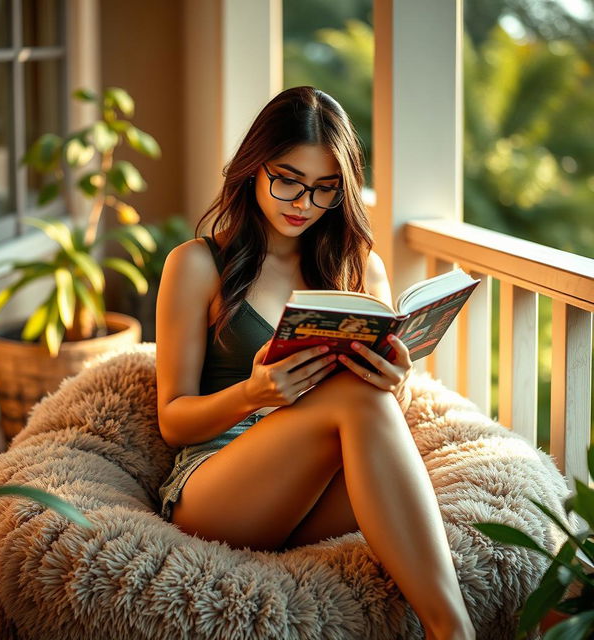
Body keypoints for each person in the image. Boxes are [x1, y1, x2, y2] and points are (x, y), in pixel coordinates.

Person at [155, 86, 475, 640]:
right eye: (287, 180)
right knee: (354, 398)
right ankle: (453, 630)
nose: (303, 203)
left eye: (325, 190)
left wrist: (396, 380)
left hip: (319, 484)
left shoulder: (360, 269)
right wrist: (252, 394)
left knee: (367, 401)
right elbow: (172, 418)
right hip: (218, 485)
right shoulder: (197, 264)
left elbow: (374, 409)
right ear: (252, 169)